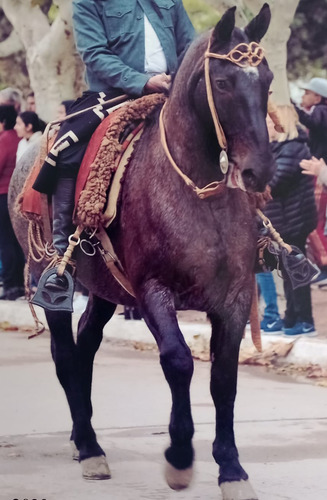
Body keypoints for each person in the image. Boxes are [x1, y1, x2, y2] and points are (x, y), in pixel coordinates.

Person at [32, 0, 195, 307]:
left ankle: (259, 235)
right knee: (68, 148)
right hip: (116, 94)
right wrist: (143, 81)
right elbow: (94, 53)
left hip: (174, 92)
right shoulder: (88, 2)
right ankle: (62, 259)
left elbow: (190, 43)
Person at [263, 107, 317, 336]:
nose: (264, 124)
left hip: (294, 220)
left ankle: (305, 321)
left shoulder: (293, 148)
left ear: (280, 124)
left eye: (268, 120)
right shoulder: (279, 149)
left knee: (296, 271)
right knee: (287, 270)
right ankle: (292, 317)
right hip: (285, 219)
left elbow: (275, 181)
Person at [0, 105, 25, 300]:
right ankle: (18, 284)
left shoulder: (4, 140)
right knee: (16, 242)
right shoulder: (19, 139)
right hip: (16, 193)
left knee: (6, 242)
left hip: (2, 194)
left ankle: (10, 285)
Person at [294, 77, 327, 163]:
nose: (302, 96)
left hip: (321, 158)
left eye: (307, 93)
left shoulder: (320, 109)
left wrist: (295, 109)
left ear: (317, 99)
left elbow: (312, 123)